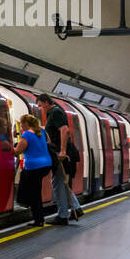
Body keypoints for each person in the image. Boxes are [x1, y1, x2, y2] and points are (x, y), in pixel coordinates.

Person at [37, 93, 80, 224]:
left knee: (58, 183)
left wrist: (62, 150)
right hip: (61, 152)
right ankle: (76, 209)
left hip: (63, 154)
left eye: (39, 105)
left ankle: (62, 216)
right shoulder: (53, 113)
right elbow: (55, 130)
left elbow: (65, 130)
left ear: (45, 102)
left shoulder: (55, 112)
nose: (39, 109)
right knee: (61, 182)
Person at [13, 113, 52, 227]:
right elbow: (48, 142)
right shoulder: (42, 131)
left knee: (34, 194)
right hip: (46, 165)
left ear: (25, 123)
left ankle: (38, 220)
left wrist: (8, 147)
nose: (20, 126)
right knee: (36, 192)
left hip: (34, 167)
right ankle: (39, 218)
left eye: (21, 124)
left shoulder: (27, 135)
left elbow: (18, 151)